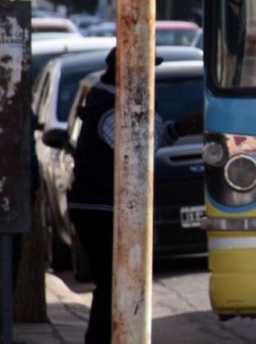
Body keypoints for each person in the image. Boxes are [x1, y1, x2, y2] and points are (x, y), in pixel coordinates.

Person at [67, 48, 202, 344]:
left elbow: (143, 140)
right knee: (115, 282)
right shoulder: (111, 107)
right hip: (101, 207)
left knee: (116, 282)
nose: (150, 76)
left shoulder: (122, 102)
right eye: (145, 69)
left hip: (105, 204)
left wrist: (177, 129)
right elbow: (137, 150)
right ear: (125, 72)